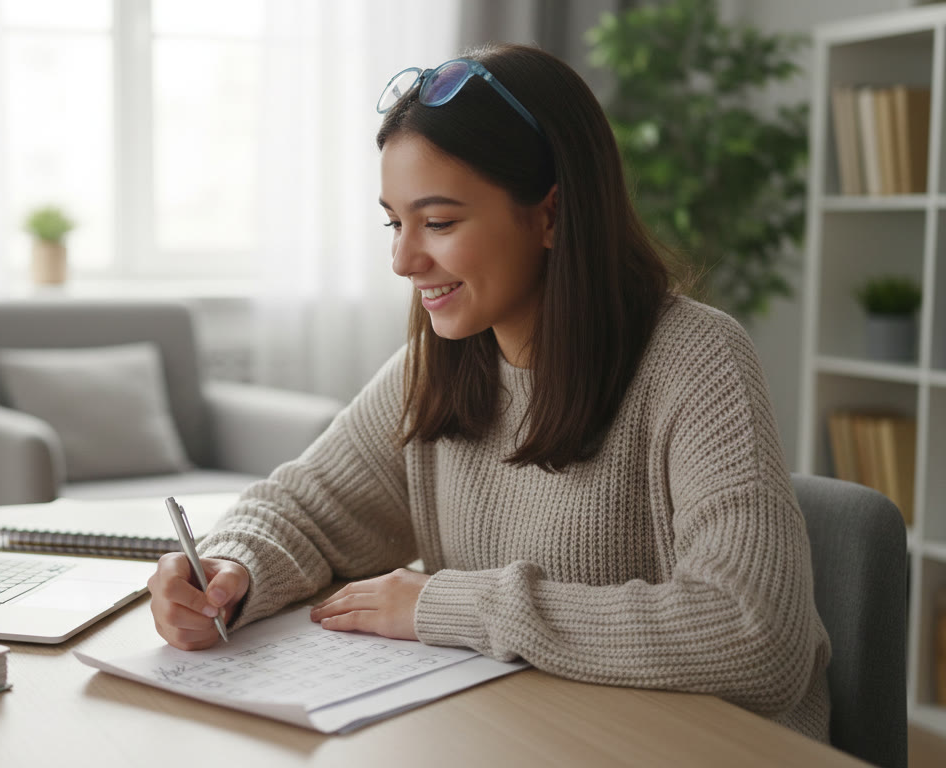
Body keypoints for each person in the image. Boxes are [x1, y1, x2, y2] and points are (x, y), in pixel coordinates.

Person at [147, 42, 831, 742]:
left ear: (551, 214)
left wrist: (451, 607)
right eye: (395, 221)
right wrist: (230, 569)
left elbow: (755, 635)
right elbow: (306, 512)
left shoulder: (695, 360)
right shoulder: (438, 366)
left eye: (438, 223)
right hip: (526, 737)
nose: (403, 260)